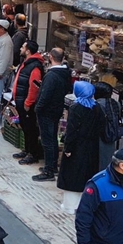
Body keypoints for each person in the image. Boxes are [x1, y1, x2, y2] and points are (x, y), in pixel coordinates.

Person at [57, 81, 104, 212]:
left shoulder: (76, 108)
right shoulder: (97, 108)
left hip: (77, 148)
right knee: (87, 177)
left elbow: (71, 131)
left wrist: (68, 148)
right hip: (92, 148)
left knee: (72, 178)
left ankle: (70, 206)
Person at [34, 48, 72, 181]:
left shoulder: (51, 75)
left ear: (50, 57)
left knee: (48, 141)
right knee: (52, 139)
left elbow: (45, 95)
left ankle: (48, 170)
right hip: (56, 110)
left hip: (47, 111)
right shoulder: (65, 73)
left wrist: (38, 108)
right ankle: (52, 166)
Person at [11, 40, 45, 165]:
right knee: (25, 127)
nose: (20, 48)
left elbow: (34, 86)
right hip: (21, 100)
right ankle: (27, 149)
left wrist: (28, 103)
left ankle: (33, 153)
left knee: (30, 129)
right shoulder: (26, 63)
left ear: (28, 51)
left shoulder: (35, 66)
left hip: (26, 103)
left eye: (23, 47)